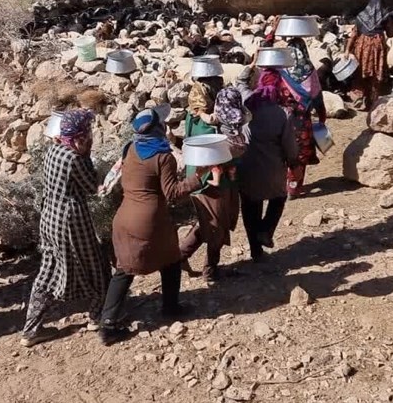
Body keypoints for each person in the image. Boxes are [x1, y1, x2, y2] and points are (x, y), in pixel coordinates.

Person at [99, 109, 205, 345]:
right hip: (149, 222)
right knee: (170, 260)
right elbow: (172, 193)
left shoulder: (130, 148)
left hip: (124, 218)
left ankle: (107, 324)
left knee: (124, 270)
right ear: (157, 128)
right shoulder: (162, 156)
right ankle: (170, 307)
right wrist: (198, 177)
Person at [21, 109, 110, 348]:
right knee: (96, 265)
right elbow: (91, 186)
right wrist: (88, 156)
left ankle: (31, 329)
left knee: (47, 271)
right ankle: (97, 315)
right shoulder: (75, 157)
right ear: (80, 136)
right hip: (71, 220)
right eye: (88, 132)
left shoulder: (54, 150)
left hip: (49, 217)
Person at [236, 68, 299, 261]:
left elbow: (240, 83)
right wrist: (293, 161)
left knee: (250, 208)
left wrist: (251, 65)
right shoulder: (281, 114)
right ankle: (266, 230)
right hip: (272, 168)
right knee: (278, 198)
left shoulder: (246, 102)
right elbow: (289, 145)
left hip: (245, 166)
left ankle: (256, 251)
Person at [179, 75, 236, 284]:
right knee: (216, 226)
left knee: (205, 223)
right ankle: (209, 269)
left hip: (195, 177)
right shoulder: (210, 124)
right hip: (211, 182)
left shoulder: (189, 116)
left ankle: (181, 256)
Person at [280, 37, 327, 198]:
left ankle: (281, 183)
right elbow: (317, 98)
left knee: (282, 150)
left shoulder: (282, 71)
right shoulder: (310, 72)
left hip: (281, 120)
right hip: (301, 122)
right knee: (300, 154)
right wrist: (322, 117)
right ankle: (293, 187)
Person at [345, 0, 393, 110]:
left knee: (361, 71)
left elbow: (354, 34)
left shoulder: (361, 16)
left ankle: (360, 98)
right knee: (376, 73)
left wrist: (347, 50)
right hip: (377, 48)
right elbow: (391, 34)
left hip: (362, 47)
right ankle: (373, 101)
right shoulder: (386, 16)